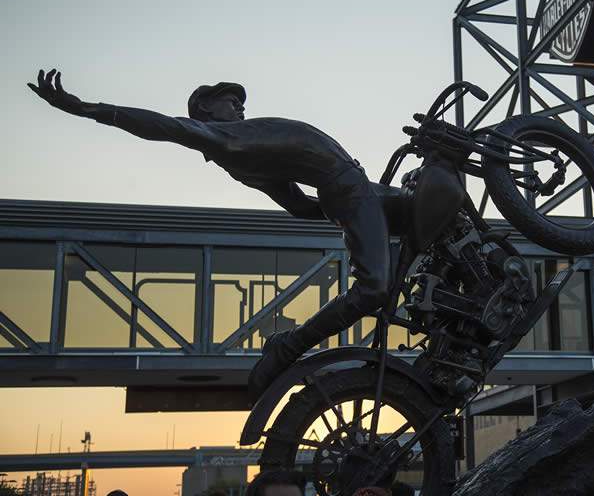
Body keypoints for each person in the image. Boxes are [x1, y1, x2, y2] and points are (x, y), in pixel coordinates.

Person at [28, 69, 391, 401]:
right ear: (204, 108)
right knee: (374, 288)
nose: (241, 108)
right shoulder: (228, 142)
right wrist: (85, 108)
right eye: (231, 101)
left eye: (241, 103)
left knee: (423, 213)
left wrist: (351, 206)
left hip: (357, 190)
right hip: (351, 191)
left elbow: (299, 206)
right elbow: (161, 126)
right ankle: (290, 345)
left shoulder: (247, 143)